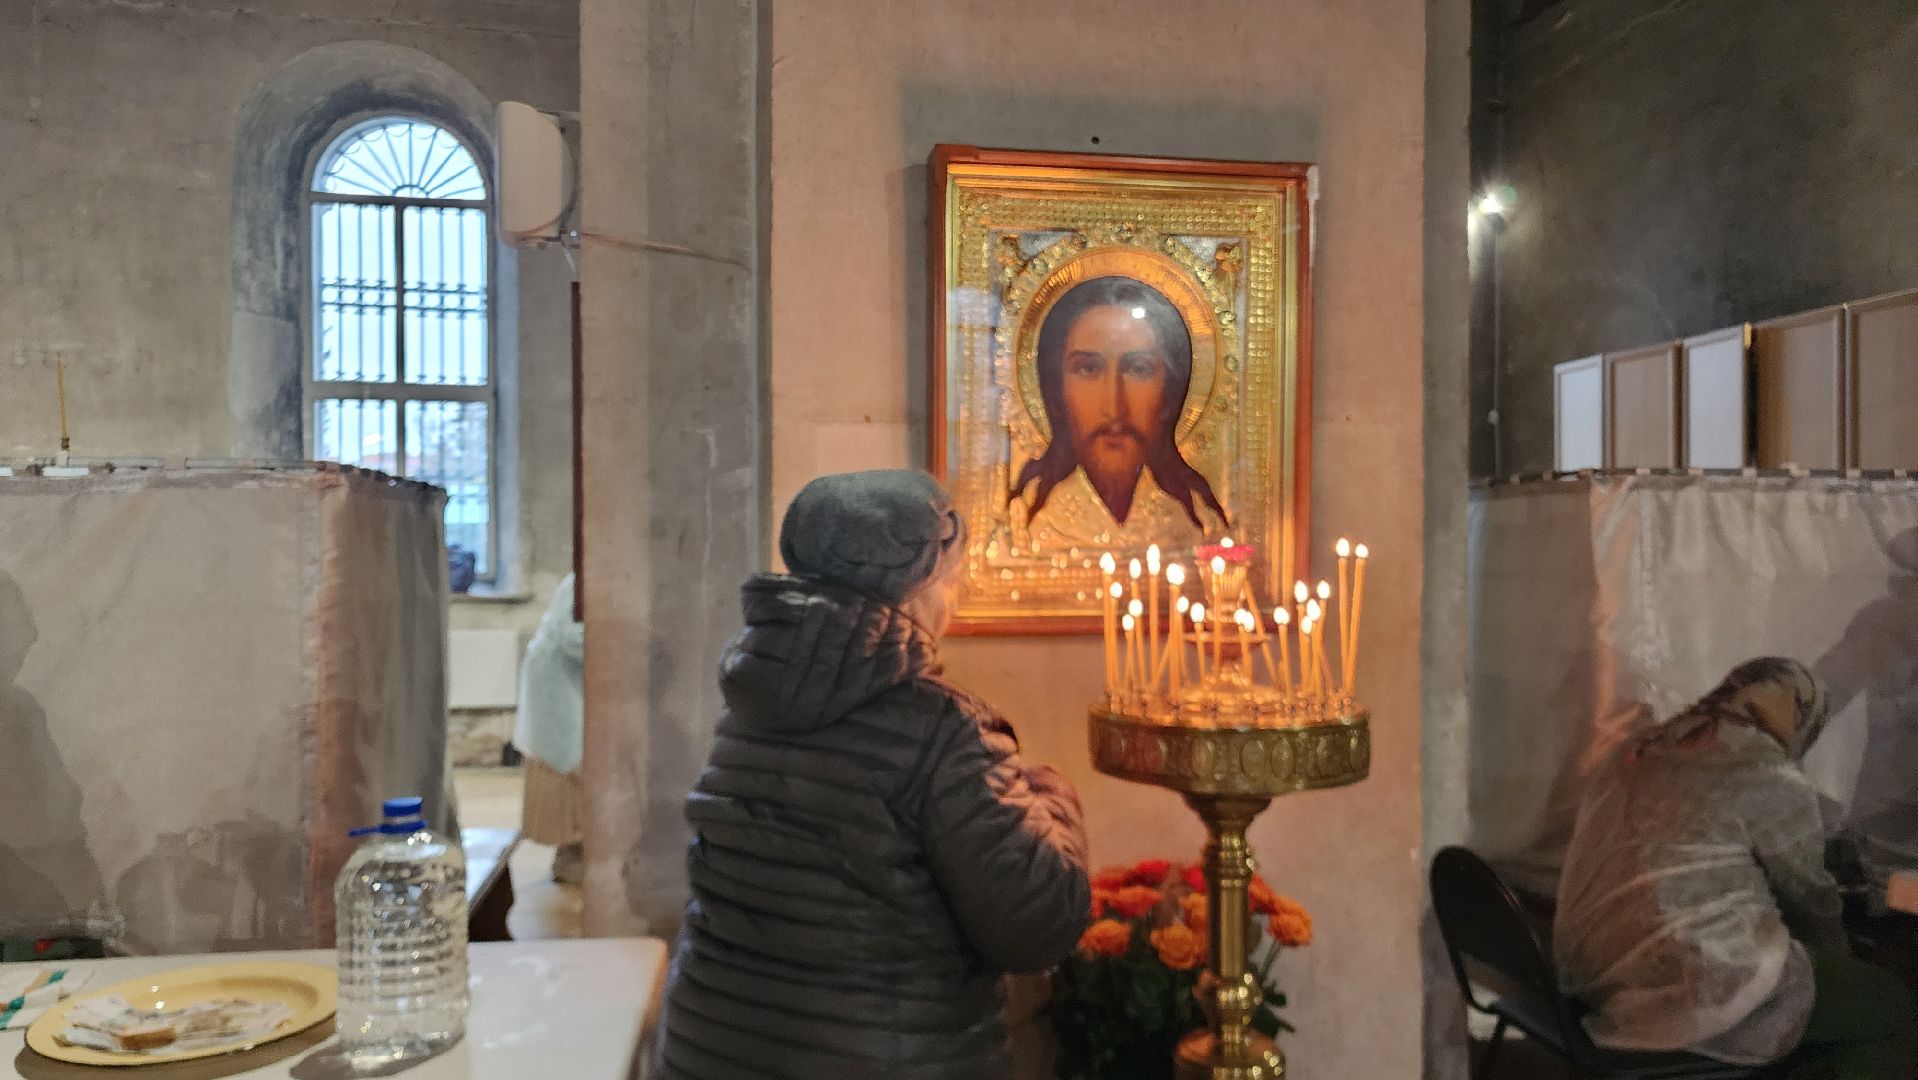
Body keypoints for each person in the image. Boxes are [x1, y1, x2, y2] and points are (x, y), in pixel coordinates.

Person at [655, 470, 1092, 1080]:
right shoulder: (945, 731)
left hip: (714, 1048)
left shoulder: (751, 705)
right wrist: (1057, 806)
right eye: (952, 582)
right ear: (917, 587)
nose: (953, 604)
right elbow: (1036, 927)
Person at [1555, 657, 1918, 1078]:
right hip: (1692, 987)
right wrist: (1844, 959)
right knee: (1890, 1008)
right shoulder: (1768, 772)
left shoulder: (1639, 747)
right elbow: (1810, 899)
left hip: (1592, 971)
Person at [1012, 275, 1226, 530]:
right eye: (1088, 369)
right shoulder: (1020, 524)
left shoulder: (1201, 523)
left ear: (1169, 393)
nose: (1114, 409)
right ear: (1057, 391)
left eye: (1138, 369)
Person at [514, 573, 584, 883]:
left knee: (576, 765)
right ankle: (571, 852)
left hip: (567, 680)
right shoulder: (580, 582)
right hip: (558, 684)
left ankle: (577, 849)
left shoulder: (588, 577)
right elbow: (572, 638)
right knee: (568, 765)